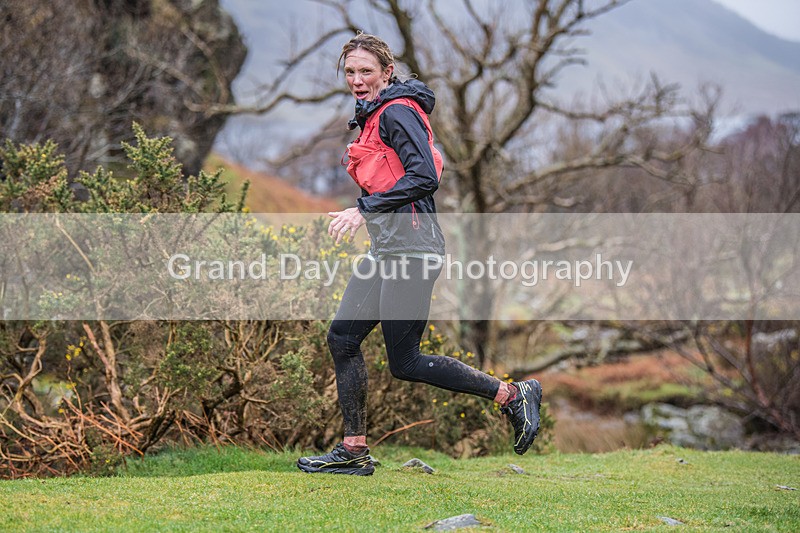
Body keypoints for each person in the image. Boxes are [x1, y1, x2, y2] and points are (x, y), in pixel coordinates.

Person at [297, 33, 542, 476]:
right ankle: (354, 452)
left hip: (415, 250)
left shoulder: (396, 112)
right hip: (389, 247)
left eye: (366, 71)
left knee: (405, 361)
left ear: (387, 73)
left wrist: (362, 209)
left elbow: (425, 177)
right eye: (350, 72)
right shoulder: (372, 116)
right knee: (342, 338)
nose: (356, 79)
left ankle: (513, 396)